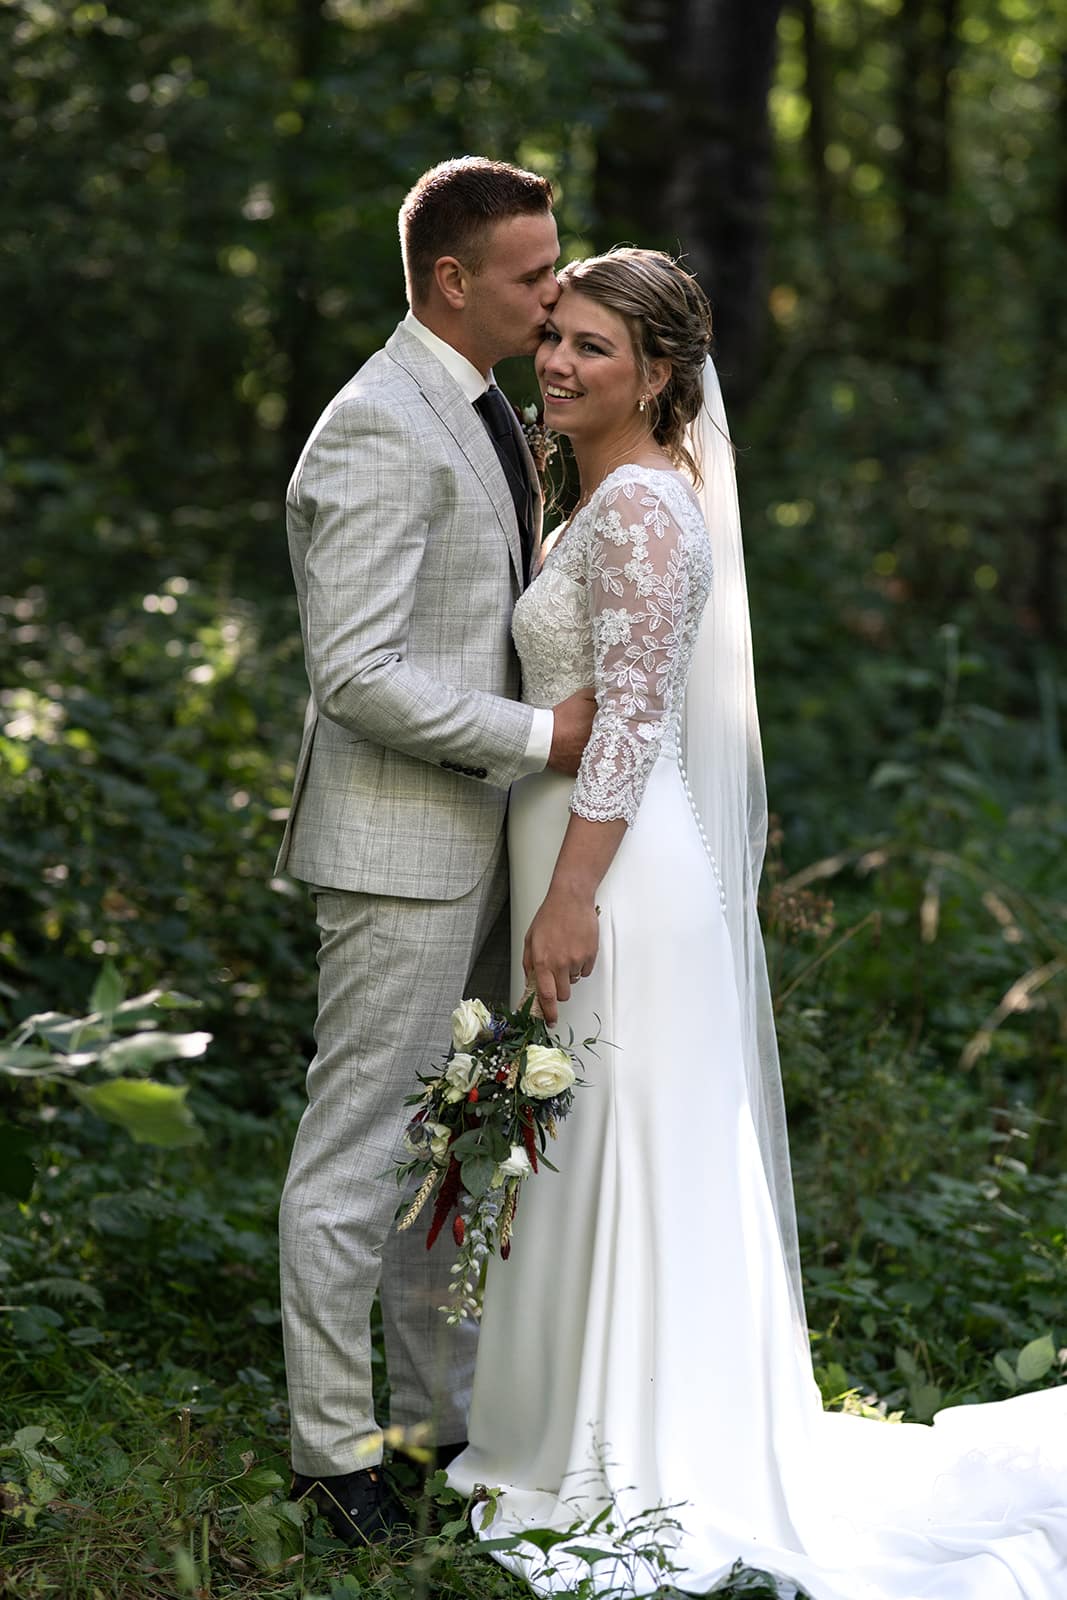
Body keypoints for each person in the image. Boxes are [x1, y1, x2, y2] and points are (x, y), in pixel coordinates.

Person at [447, 247, 1067, 1598]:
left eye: (593, 347)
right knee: (584, 1143)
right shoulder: (602, 490)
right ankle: (566, 1431)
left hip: (619, 880)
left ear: (658, 374)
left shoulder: (645, 508)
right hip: (586, 855)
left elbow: (630, 727)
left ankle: (644, 1454)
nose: (557, 363)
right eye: (554, 337)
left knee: (621, 1138)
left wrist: (568, 899)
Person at [275, 156, 598, 1543]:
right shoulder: (375, 422)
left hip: (481, 843)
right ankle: (330, 1460)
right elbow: (355, 672)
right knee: (357, 1155)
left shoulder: (479, 405)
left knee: (450, 1153)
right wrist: (541, 739)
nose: (556, 294)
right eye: (534, 274)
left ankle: (430, 1428)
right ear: (452, 280)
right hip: (399, 850)